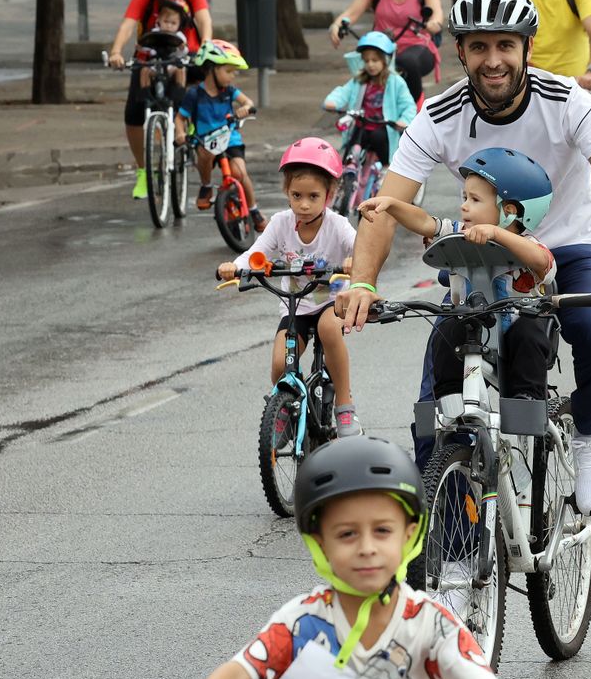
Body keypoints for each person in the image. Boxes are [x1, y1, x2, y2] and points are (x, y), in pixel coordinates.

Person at [336, 0, 591, 514]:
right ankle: (457, 567)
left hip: (568, 247)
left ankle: (590, 434)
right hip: (481, 257)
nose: (493, 60)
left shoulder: (568, 102)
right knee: (436, 413)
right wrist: (363, 282)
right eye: (479, 46)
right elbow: (383, 207)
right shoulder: (439, 114)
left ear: (527, 48)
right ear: (460, 51)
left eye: (505, 45)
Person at [166, 436, 525, 679]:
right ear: (320, 543)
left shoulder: (430, 624)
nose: (367, 547)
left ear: (409, 534)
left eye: (382, 530)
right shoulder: (302, 622)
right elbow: (242, 670)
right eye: (347, 534)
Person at [359, 147, 557, 405]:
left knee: (528, 333)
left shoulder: (528, 245)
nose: (463, 206)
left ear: (509, 211)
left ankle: (527, 404)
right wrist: (393, 205)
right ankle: (449, 403)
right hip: (473, 325)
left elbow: (542, 261)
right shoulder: (459, 233)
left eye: (474, 200)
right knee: (448, 330)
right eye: (464, 197)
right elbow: (425, 222)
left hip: (517, 333)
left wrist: (496, 234)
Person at [216, 138, 363, 438]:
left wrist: (354, 262)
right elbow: (257, 254)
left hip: (331, 302)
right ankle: (283, 407)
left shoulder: (337, 225)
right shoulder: (281, 223)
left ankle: (345, 406)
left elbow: (362, 249)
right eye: (296, 195)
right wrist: (236, 265)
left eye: (313, 196)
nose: (304, 204)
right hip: (296, 303)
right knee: (280, 362)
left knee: (329, 329)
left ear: (330, 195)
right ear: (287, 192)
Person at [106, 0, 213, 200]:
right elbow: (128, 26)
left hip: (186, 56)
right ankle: (144, 172)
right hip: (149, 56)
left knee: (188, 92)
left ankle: (183, 121)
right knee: (133, 114)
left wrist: (206, 45)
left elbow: (204, 19)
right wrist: (116, 52)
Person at [179, 39, 263, 230]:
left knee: (240, 173)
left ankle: (254, 210)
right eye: (228, 71)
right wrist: (180, 133)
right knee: (204, 155)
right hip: (206, 139)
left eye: (234, 72)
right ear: (211, 69)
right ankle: (206, 185)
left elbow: (247, 102)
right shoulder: (194, 95)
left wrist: (245, 108)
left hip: (229, 137)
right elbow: (180, 118)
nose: (232, 76)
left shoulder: (229, 91)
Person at [323, 32, 417, 169]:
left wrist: (403, 121)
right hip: (362, 124)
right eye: (366, 61)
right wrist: (333, 102)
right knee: (352, 143)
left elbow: (409, 106)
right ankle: (350, 170)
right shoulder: (360, 80)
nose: (370, 65)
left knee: (377, 137)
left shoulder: (396, 82)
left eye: (375, 60)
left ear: (386, 60)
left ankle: (386, 168)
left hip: (383, 127)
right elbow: (343, 92)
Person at [135, 0, 191, 92]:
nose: (169, 25)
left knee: (181, 70)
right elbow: (148, 48)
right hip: (156, 64)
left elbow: (183, 53)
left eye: (173, 23)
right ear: (159, 20)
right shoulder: (154, 33)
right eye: (166, 21)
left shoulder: (180, 36)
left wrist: (182, 48)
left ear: (179, 24)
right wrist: (141, 47)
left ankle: (179, 93)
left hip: (171, 64)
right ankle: (145, 94)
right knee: (144, 71)